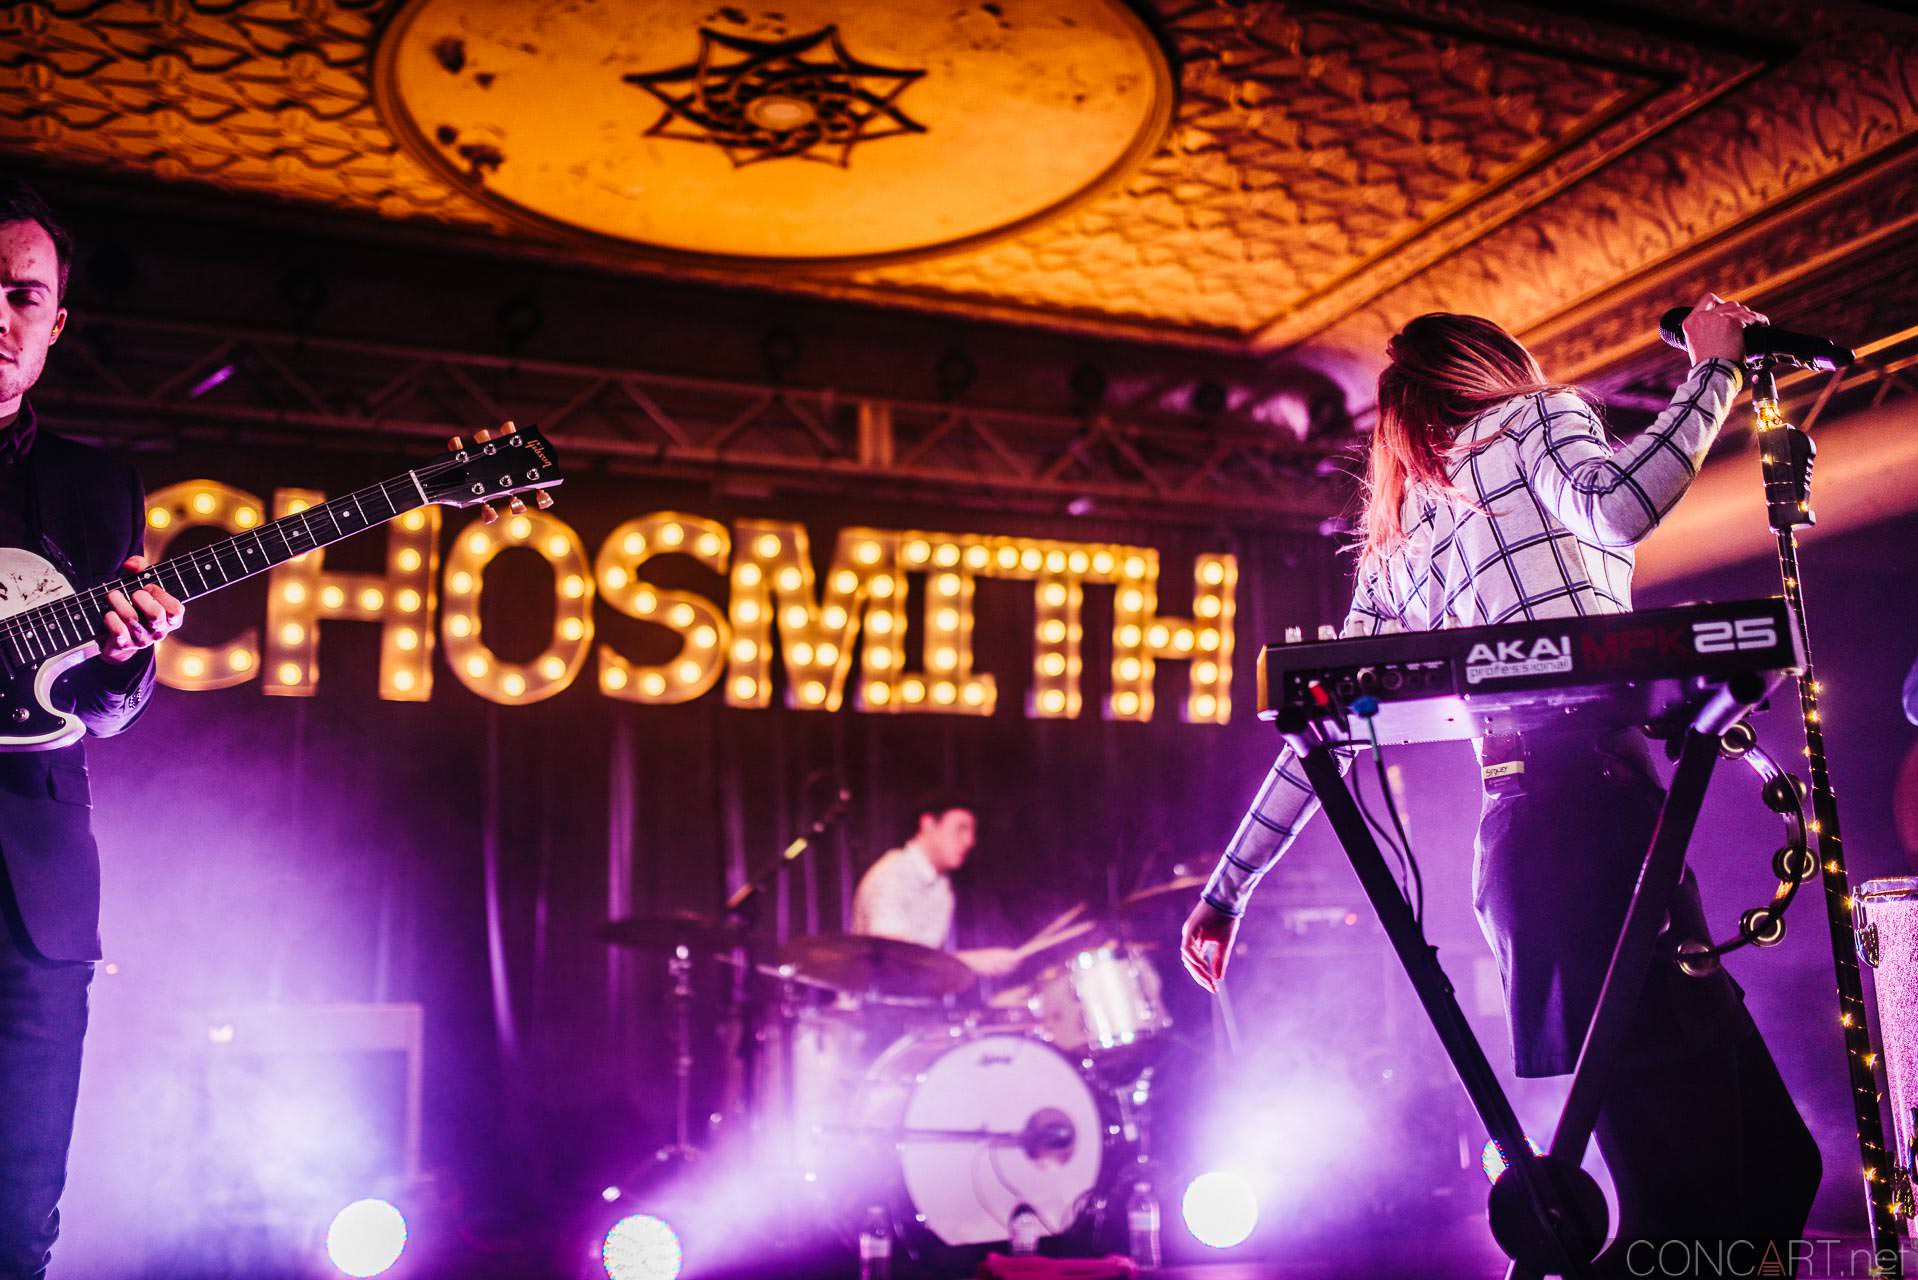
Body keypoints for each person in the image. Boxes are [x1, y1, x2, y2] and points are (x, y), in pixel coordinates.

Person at [1180, 297, 1822, 1270]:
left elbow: (1317, 727)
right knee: (1715, 1200)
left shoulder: (1397, 539)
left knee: (1737, 1179)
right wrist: (1714, 368)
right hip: (1598, 819)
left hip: (1526, 847)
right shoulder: (1533, 418)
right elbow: (1619, 502)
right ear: (1494, 367)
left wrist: (1227, 886)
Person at [0, 181, 184, 1280]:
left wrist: (125, 656)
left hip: (35, 893)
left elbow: (102, 712)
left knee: (20, 1222)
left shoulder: (97, 483)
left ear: (57, 321)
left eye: (25, 295)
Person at [851, 791, 1020, 977]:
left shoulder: (943, 886)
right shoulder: (892, 874)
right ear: (928, 824)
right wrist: (973, 962)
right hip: (874, 1004)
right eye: (961, 829)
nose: (970, 841)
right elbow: (894, 957)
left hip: (914, 1000)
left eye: (972, 832)